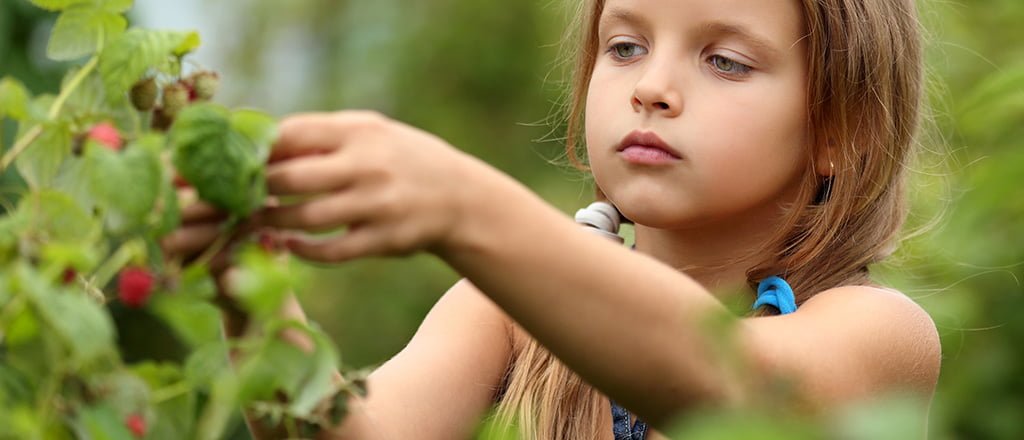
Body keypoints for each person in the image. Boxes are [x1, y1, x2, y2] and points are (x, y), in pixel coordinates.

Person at [164, 0, 942, 438]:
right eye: (627, 45)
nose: (653, 88)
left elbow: (735, 387)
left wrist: (465, 204)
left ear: (841, 130)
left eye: (725, 60)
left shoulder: (878, 334)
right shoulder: (507, 313)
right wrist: (244, 280)